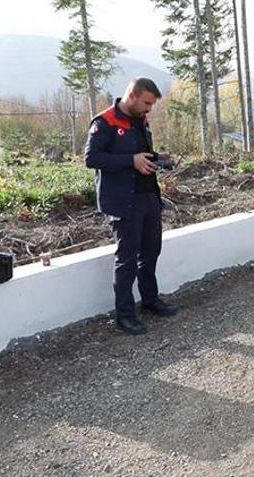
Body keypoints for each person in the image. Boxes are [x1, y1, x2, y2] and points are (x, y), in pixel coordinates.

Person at [85, 77, 179, 336]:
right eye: (147, 103)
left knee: (151, 252)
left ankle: (150, 299)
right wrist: (131, 161)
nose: (149, 109)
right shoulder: (104, 122)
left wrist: (158, 159)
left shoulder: (141, 120)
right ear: (132, 95)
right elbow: (91, 158)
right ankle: (125, 315)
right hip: (123, 201)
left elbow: (141, 154)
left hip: (148, 196)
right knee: (126, 259)